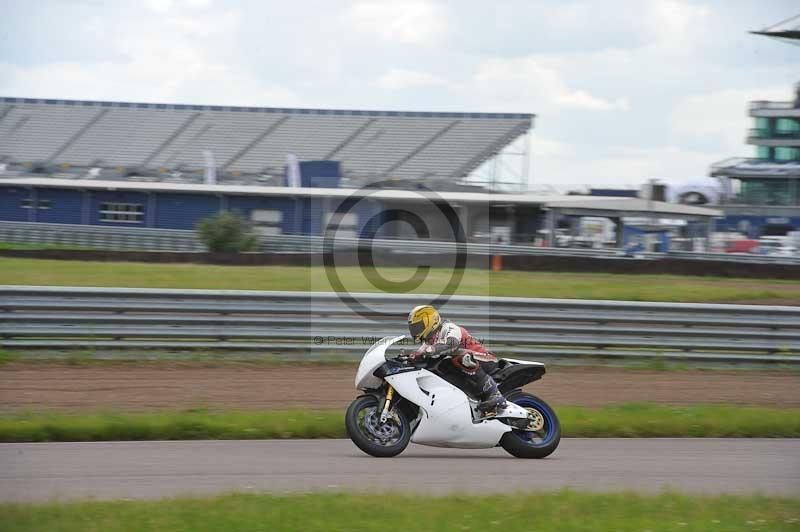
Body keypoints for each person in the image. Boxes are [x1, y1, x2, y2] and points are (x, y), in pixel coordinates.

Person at [406, 305, 507, 415]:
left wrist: (431, 350)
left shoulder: (448, 327)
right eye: (414, 328)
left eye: (419, 326)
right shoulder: (428, 342)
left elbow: (452, 344)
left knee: (461, 356)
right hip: (468, 371)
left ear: (431, 321)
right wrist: (409, 358)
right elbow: (418, 356)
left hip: (485, 360)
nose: (416, 331)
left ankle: (494, 394)